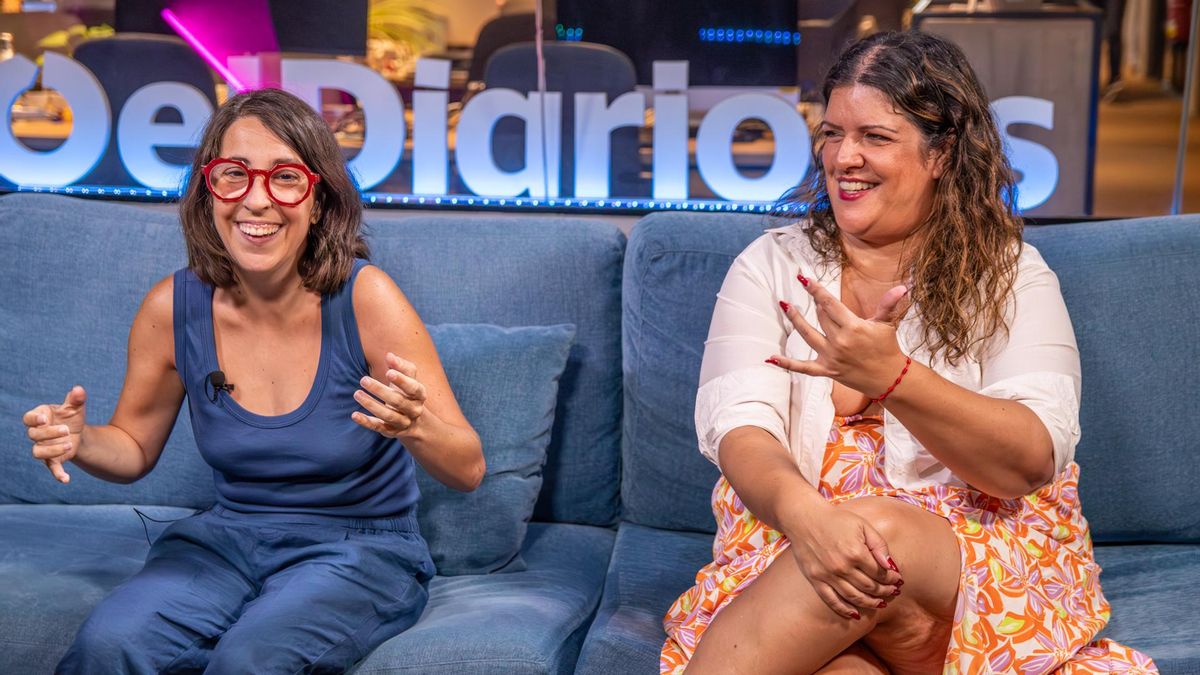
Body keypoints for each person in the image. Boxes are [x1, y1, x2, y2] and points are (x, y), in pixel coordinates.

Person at [660, 31, 1156, 674]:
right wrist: (808, 517)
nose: (843, 157)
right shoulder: (771, 265)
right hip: (797, 543)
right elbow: (739, 427)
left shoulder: (1011, 276)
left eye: (875, 137)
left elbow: (1028, 459)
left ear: (942, 153)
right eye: (832, 133)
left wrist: (893, 378)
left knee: (878, 535)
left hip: (976, 558)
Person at [23, 88, 485, 674]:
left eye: (285, 177)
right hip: (227, 541)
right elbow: (135, 447)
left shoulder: (366, 298)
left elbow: (468, 469)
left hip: (360, 548)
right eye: (234, 175)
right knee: (107, 649)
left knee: (249, 662)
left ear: (318, 200)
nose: (257, 201)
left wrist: (416, 427)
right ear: (208, 192)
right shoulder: (173, 307)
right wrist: (80, 439)